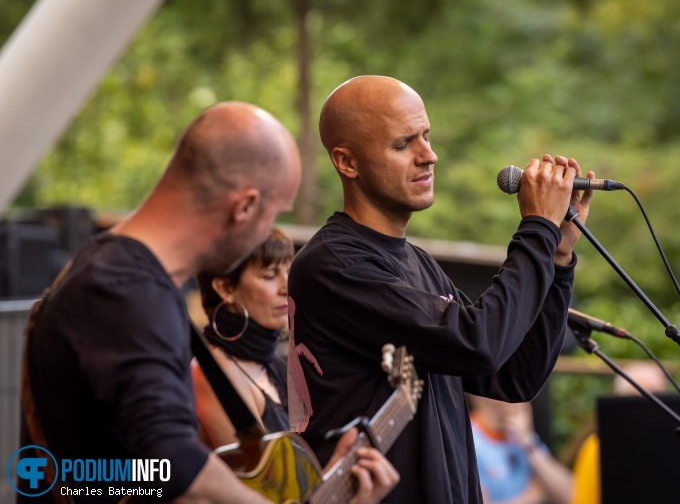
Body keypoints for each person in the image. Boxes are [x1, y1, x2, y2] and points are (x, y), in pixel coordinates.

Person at [20, 101, 397, 504]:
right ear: (245, 207)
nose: (266, 234)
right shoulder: (127, 288)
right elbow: (171, 461)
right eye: (272, 214)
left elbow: (135, 475)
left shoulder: (114, 273)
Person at [286, 75, 594, 503]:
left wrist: (557, 258)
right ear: (347, 162)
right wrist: (536, 228)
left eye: (426, 137)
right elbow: (478, 342)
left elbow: (513, 378)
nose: (428, 156)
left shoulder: (419, 264)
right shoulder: (335, 264)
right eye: (403, 144)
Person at [192, 227, 294, 446]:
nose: (287, 287)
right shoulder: (214, 375)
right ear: (226, 288)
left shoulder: (271, 362)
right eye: (270, 275)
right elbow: (264, 478)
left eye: (289, 272)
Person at [569, 360, 669, 504]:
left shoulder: (676, 443)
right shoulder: (597, 447)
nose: (651, 406)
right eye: (639, 398)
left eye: (658, 397)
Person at [468, 395, 572, 504]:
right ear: (488, 398)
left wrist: (528, 443)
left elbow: (570, 495)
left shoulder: (521, 436)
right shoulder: (468, 441)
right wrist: (532, 495)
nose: (525, 401)